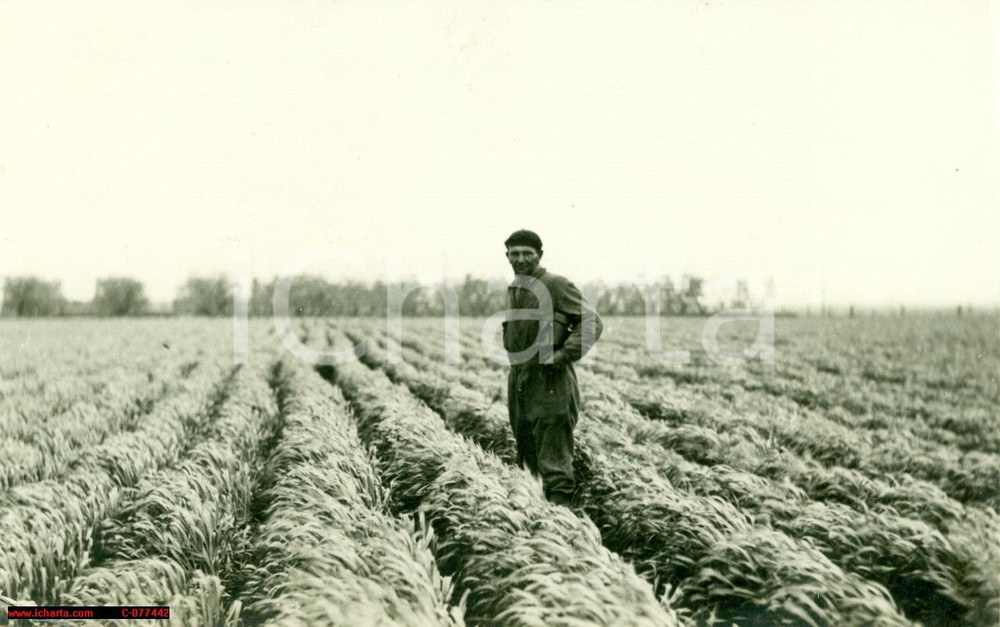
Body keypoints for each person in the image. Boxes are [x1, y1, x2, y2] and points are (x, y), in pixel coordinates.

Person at [502, 229, 603, 506]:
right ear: (507, 256)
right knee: (527, 460)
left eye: (527, 254)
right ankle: (535, 522)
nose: (521, 259)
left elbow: (592, 321)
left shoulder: (557, 285)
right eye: (515, 254)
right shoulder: (515, 290)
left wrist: (562, 356)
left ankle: (561, 524)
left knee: (554, 465)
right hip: (520, 382)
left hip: (550, 383)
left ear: (540, 255)